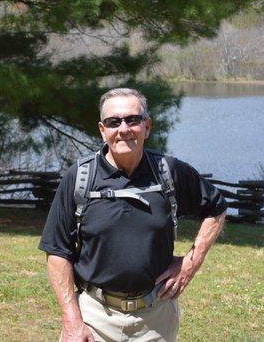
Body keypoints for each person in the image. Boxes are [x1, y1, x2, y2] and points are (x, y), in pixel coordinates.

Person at [39, 87, 227, 341]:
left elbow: (216, 208)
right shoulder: (80, 178)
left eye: (133, 120)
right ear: (102, 130)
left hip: (156, 318)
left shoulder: (168, 172)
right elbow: (57, 251)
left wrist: (191, 262)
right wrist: (71, 319)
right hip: (94, 318)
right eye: (113, 122)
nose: (123, 128)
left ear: (147, 126)